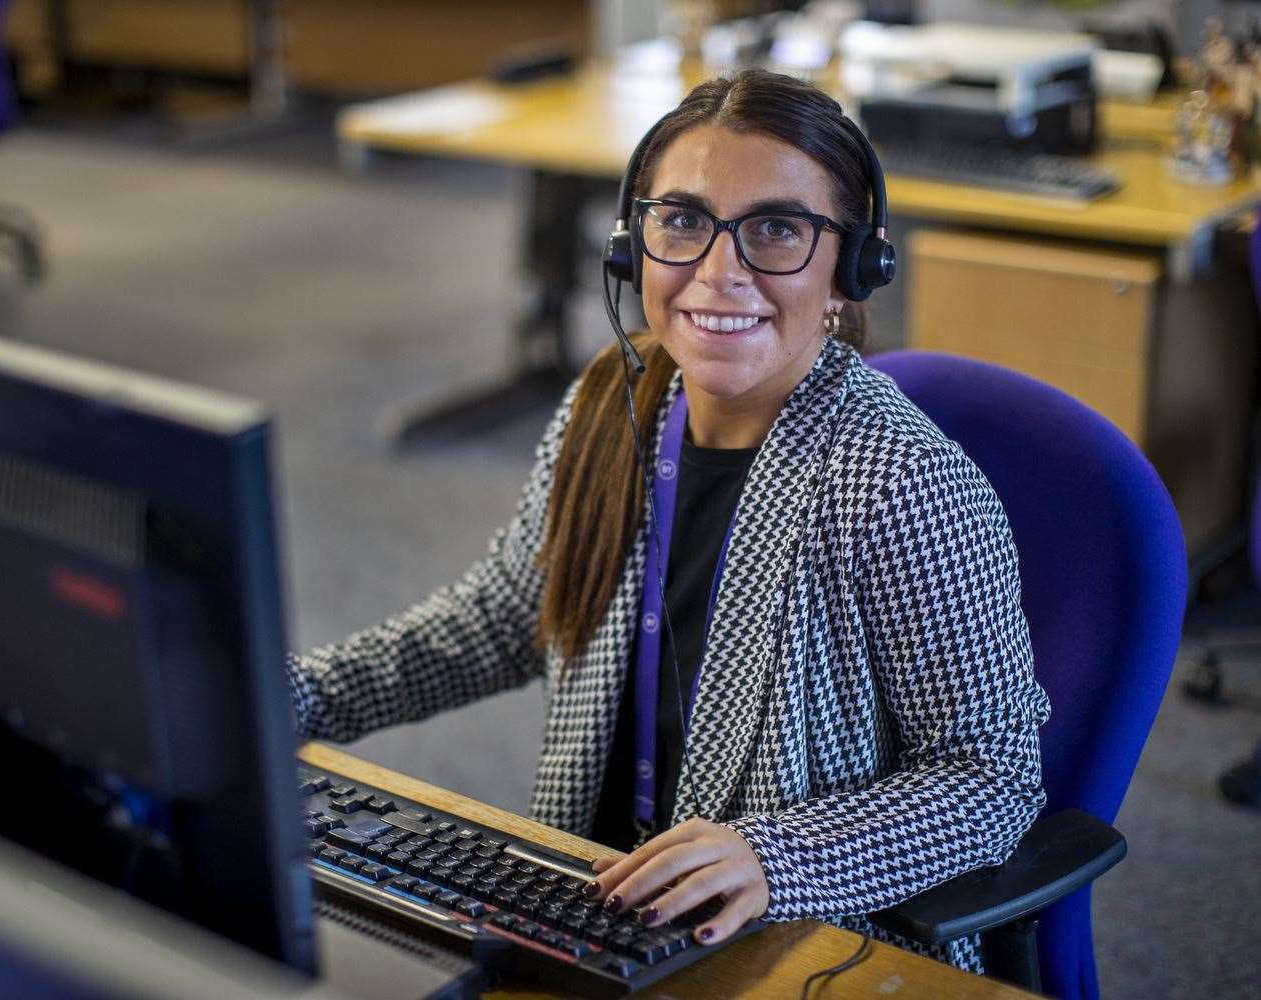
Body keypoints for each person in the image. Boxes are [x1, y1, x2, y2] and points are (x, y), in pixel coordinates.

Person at [287, 69, 1051, 972]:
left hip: (805, 937)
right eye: (683, 221)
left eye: (776, 229)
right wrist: (297, 691)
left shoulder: (895, 481)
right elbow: (503, 618)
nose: (718, 272)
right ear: (632, 245)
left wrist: (779, 857)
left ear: (852, 270)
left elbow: (993, 778)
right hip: (597, 906)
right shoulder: (613, 405)